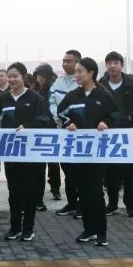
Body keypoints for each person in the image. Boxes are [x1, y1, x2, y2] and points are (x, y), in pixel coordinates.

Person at [57, 57, 121, 247]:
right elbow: (60, 114)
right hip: (78, 152)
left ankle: (101, 232)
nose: (76, 75)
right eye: (75, 71)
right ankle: (89, 230)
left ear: (91, 73)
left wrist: (106, 123)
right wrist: (68, 123)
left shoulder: (103, 95)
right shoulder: (72, 96)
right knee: (83, 191)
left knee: (95, 191)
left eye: (80, 71)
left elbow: (116, 116)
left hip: (98, 152)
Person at [0, 63, 52, 241]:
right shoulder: (4, 99)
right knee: (13, 191)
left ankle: (28, 229)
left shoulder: (36, 99)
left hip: (30, 154)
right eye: (9, 76)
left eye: (15, 76)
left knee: (29, 192)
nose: (12, 79)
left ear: (24, 77)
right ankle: (14, 227)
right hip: (11, 153)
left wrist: (27, 127)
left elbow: (44, 122)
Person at [100, 51, 133, 217]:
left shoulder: (131, 84)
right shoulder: (101, 85)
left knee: (131, 173)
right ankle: (112, 204)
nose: (112, 66)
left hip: (129, 136)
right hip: (109, 136)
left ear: (121, 65)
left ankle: (130, 205)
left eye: (116, 63)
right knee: (110, 174)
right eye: (109, 63)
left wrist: (130, 117)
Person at [50, 50, 82, 217]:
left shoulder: (82, 82)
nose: (64, 64)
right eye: (63, 61)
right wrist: (61, 119)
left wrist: (73, 121)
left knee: (81, 171)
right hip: (62, 131)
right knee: (67, 169)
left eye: (68, 61)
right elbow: (52, 103)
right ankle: (71, 203)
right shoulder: (58, 83)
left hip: (80, 133)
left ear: (77, 63)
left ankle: (82, 204)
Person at [33, 63, 62, 201]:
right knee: (39, 164)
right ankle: (38, 193)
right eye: (38, 76)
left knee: (53, 162)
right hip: (39, 130)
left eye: (41, 76)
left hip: (52, 129)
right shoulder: (34, 90)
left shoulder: (54, 89)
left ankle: (55, 188)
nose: (39, 79)